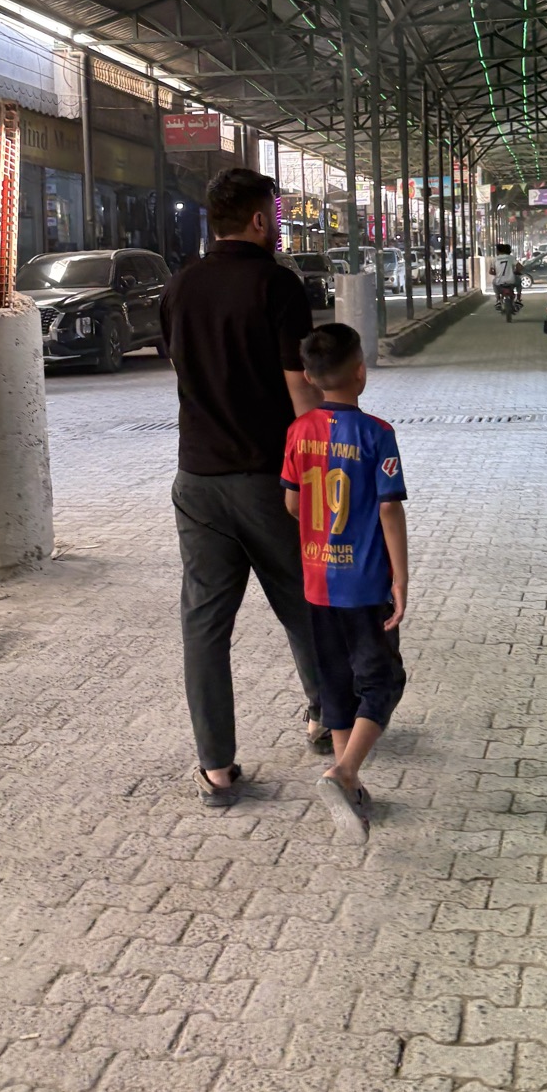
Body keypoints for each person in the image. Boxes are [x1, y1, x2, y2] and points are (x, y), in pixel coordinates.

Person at [160, 167, 327, 809]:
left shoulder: (179, 287)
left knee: (204, 624)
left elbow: (182, 369)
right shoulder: (277, 284)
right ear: (259, 219)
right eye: (275, 215)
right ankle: (328, 717)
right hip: (267, 478)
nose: (277, 226)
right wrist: (318, 471)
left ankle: (216, 769)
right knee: (303, 602)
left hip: (196, 480)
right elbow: (299, 387)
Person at [281, 322, 407, 843]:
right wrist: (401, 578)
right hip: (365, 584)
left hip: (318, 581)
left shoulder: (298, 431)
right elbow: (389, 509)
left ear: (309, 378)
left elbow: (292, 502)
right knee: (383, 680)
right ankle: (344, 771)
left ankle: (348, 789)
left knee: (335, 682)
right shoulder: (377, 433)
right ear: (360, 372)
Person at [490, 242, 519, 311]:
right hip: (511, 280)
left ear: (499, 251)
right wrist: (516, 272)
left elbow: (490, 271)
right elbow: (520, 267)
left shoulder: (495, 259)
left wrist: (497, 274)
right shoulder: (511, 257)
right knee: (519, 282)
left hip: (499, 281)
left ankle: (498, 299)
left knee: (494, 283)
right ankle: (518, 298)